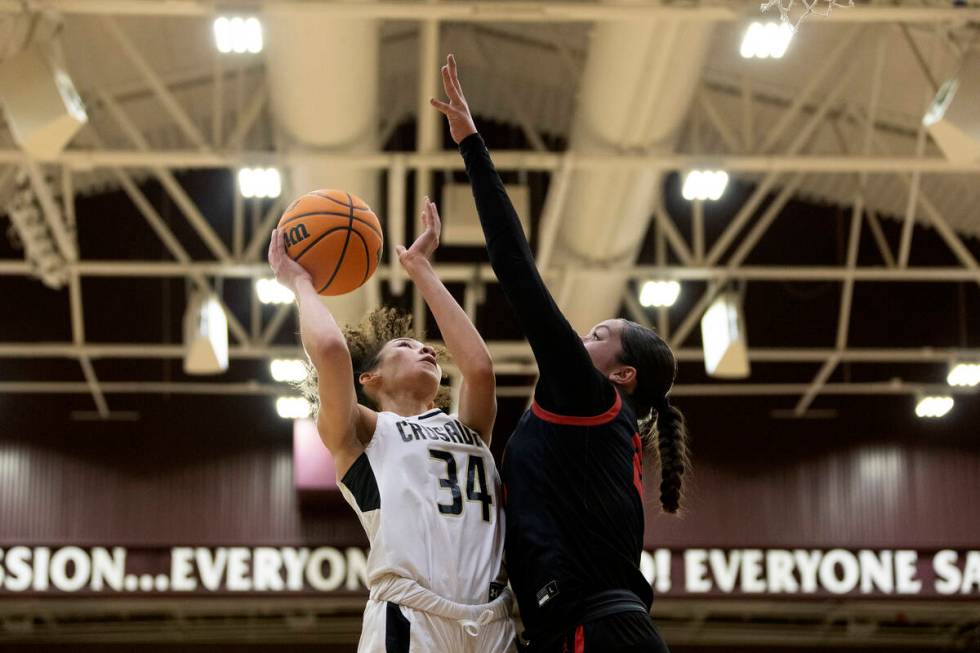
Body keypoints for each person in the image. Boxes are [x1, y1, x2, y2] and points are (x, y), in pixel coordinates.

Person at [431, 54, 691, 653]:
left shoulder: (592, 398)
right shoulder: (586, 419)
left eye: (597, 336)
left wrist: (473, 146)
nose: (580, 339)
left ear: (621, 373)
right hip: (577, 629)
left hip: (597, 630)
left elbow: (516, 268)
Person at [268, 198, 515, 653]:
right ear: (370, 378)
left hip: (492, 619)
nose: (426, 351)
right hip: (409, 616)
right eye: (407, 345)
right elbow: (331, 353)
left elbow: (479, 368)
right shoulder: (362, 433)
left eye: (428, 349)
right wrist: (300, 283)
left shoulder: (468, 429)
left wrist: (421, 268)